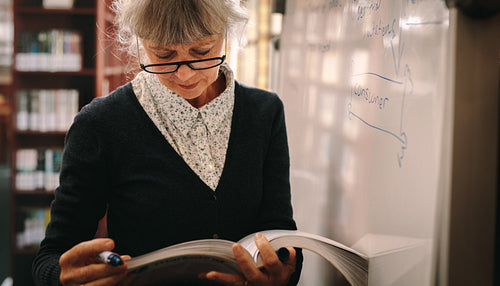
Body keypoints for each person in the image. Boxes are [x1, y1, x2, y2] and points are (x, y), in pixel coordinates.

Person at [32, 0, 302, 285]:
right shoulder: (100, 124)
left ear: (226, 34)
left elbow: (280, 233)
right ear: (139, 42)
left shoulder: (265, 113)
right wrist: (64, 278)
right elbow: (50, 258)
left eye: (202, 51)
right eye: (163, 55)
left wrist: (282, 274)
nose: (184, 74)